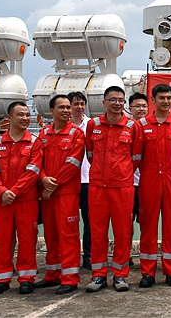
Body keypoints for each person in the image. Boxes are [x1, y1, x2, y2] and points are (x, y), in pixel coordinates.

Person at [84, 86, 143, 293]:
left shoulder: (132, 126)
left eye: (120, 100)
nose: (117, 103)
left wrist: (121, 173)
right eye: (113, 100)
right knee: (97, 232)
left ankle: (120, 274)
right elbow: (90, 154)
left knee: (123, 232)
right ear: (104, 102)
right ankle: (98, 275)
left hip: (122, 187)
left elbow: (136, 157)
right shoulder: (93, 125)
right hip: (98, 187)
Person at [0, 102, 43, 295]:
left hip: (26, 201)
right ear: (9, 118)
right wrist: (1, 191)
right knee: (2, 240)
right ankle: (1, 279)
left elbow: (33, 171)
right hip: (1, 201)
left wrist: (14, 192)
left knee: (28, 239)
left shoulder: (34, 142)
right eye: (21, 115)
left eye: (27, 115)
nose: (25, 118)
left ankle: (26, 279)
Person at [35, 95, 86, 294]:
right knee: (50, 234)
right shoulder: (43, 133)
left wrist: (51, 185)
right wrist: (42, 178)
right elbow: (35, 161)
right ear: (51, 111)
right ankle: (53, 274)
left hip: (66, 193)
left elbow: (73, 164)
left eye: (68, 107)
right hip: (47, 193)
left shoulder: (76, 134)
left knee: (68, 235)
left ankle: (70, 278)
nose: (66, 111)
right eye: (62, 107)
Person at [137, 84, 171, 288]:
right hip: (149, 179)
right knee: (148, 226)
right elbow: (136, 156)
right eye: (161, 98)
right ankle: (147, 272)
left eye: (168, 98)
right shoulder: (141, 125)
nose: (165, 101)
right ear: (153, 100)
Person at [69, 91, 92, 270]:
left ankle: (89, 256)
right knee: (69, 222)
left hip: (89, 180)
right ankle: (70, 257)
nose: (79, 107)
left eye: (82, 103)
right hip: (68, 182)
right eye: (76, 104)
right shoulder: (62, 127)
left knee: (90, 222)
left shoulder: (92, 125)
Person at [127, 92, 148, 268]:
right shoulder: (126, 128)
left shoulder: (150, 127)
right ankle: (126, 254)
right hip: (128, 183)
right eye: (137, 106)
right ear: (130, 108)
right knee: (127, 222)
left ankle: (146, 256)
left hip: (147, 183)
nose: (141, 109)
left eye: (144, 106)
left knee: (146, 222)